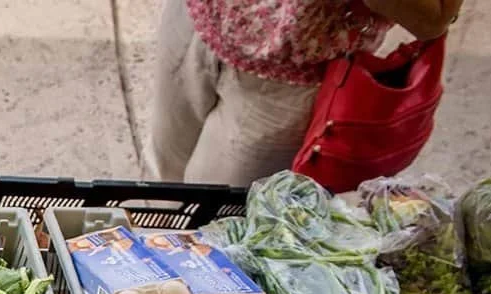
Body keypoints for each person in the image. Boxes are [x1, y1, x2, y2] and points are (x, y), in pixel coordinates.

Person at [150, 0, 464, 187]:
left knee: (210, 230)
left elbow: (430, 18)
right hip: (198, 14)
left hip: (285, 78)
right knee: (157, 182)